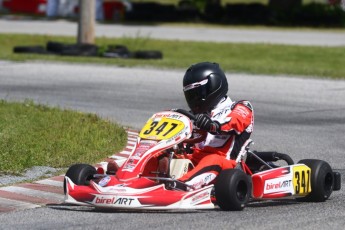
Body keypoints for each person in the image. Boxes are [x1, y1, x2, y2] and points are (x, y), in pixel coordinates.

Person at [175, 62, 254, 191]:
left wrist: (213, 125)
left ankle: (181, 187)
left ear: (214, 85)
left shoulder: (240, 107)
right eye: (190, 95)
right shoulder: (193, 116)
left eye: (197, 93)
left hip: (225, 166)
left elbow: (234, 122)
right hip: (195, 159)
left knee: (212, 160)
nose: (193, 99)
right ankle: (140, 180)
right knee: (164, 153)